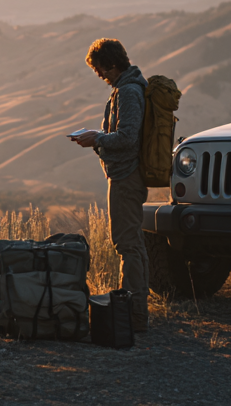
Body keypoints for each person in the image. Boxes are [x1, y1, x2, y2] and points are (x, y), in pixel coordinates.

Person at [71, 37, 150, 332]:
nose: (99, 74)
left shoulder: (128, 92)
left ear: (112, 64)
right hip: (125, 174)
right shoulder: (128, 88)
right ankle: (134, 311)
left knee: (127, 244)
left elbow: (128, 138)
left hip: (126, 176)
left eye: (100, 68)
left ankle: (133, 315)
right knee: (133, 243)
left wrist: (98, 139)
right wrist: (99, 136)